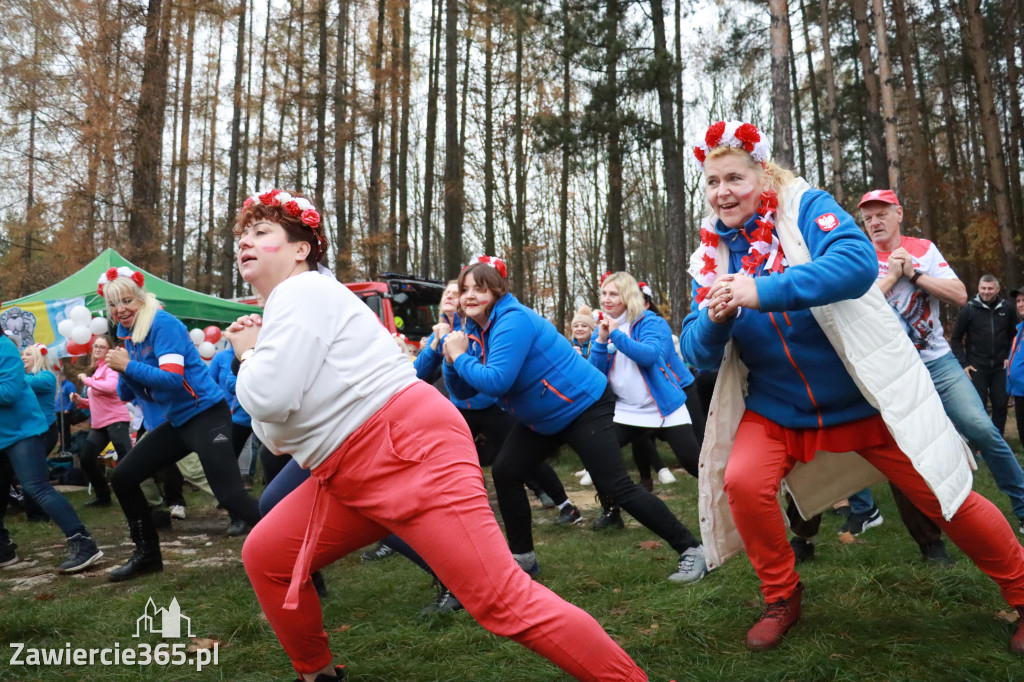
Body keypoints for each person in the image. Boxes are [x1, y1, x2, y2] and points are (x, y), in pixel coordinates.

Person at [228, 189, 646, 682]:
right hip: (348, 465)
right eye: (241, 236)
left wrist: (248, 355)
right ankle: (318, 674)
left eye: (261, 232)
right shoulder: (291, 305)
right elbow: (276, 434)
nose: (245, 243)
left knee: (501, 600)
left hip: (403, 447)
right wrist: (260, 367)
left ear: (302, 248)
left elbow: (271, 403)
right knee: (268, 555)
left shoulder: (302, 292)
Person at [679, 120, 1024, 652]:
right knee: (743, 482)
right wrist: (717, 317)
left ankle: (1022, 591)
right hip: (778, 408)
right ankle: (782, 594)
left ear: (763, 176)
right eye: (711, 182)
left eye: (734, 178)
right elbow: (696, 353)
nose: (722, 192)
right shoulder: (711, 254)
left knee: (946, 499)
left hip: (865, 401)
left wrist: (759, 290)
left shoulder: (803, 207)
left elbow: (855, 263)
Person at [443, 256, 706, 582]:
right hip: (543, 415)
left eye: (479, 288)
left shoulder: (512, 321)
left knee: (616, 485)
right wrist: (450, 361)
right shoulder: (475, 330)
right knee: (506, 470)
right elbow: (462, 392)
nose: (469, 295)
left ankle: (691, 549)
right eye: (465, 288)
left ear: (497, 291)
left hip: (583, 405)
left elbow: (497, 381)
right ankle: (522, 559)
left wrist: (458, 355)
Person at [98, 266, 262, 581]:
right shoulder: (130, 335)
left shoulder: (162, 324)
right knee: (123, 477)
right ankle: (147, 555)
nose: (121, 309)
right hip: (178, 422)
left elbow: (173, 381)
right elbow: (127, 393)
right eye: (114, 304)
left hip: (206, 414)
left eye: (127, 300)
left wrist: (128, 364)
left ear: (141, 299)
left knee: (230, 496)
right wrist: (122, 369)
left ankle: (301, 552)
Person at [586, 273, 701, 530]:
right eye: (604, 294)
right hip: (626, 410)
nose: (606, 299)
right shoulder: (602, 328)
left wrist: (616, 336)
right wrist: (601, 342)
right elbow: (595, 374)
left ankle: (728, 499)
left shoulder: (650, 322)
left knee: (694, 462)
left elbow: (649, 356)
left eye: (613, 294)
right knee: (595, 453)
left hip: (663, 406)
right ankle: (611, 511)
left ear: (627, 296)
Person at [0, 334, 103, 572]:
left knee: (36, 487)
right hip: (3, 435)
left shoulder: (4, 347)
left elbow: (8, 393)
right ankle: (3, 551)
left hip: (23, 432)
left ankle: (83, 542)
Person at [71, 335, 133, 508]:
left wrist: (86, 380)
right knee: (87, 459)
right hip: (100, 425)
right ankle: (103, 497)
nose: (97, 349)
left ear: (108, 351)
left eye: (101, 347)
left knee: (127, 459)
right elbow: (97, 401)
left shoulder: (111, 368)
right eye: (95, 346)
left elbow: (111, 388)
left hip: (116, 420)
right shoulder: (97, 370)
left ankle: (135, 495)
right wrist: (80, 402)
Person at [952, 275, 1018, 434]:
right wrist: (964, 363)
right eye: (983, 288)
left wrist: (1009, 357)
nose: (986, 292)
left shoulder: (1007, 308)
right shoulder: (969, 309)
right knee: (979, 406)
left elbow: (1014, 336)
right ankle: (981, 443)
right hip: (977, 367)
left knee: (1000, 405)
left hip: (1000, 367)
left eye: (990, 288)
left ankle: (998, 441)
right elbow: (955, 339)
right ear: (978, 288)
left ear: (997, 289)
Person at [208, 345, 258, 536]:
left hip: (268, 418)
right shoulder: (223, 357)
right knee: (226, 466)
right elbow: (223, 383)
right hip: (237, 419)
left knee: (274, 465)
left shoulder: (266, 351)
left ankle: (280, 515)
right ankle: (237, 517)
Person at [21, 344, 59, 456]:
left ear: (39, 357)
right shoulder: (23, 376)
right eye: (23, 354)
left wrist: (13, 373)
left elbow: (32, 382)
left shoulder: (48, 376)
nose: (23, 357)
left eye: (28, 354)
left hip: (45, 431)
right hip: (29, 430)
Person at [1008, 286, 1024, 443]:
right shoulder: (1019, 330)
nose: (1020, 304)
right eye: (1018, 301)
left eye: (1023, 300)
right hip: (1019, 392)